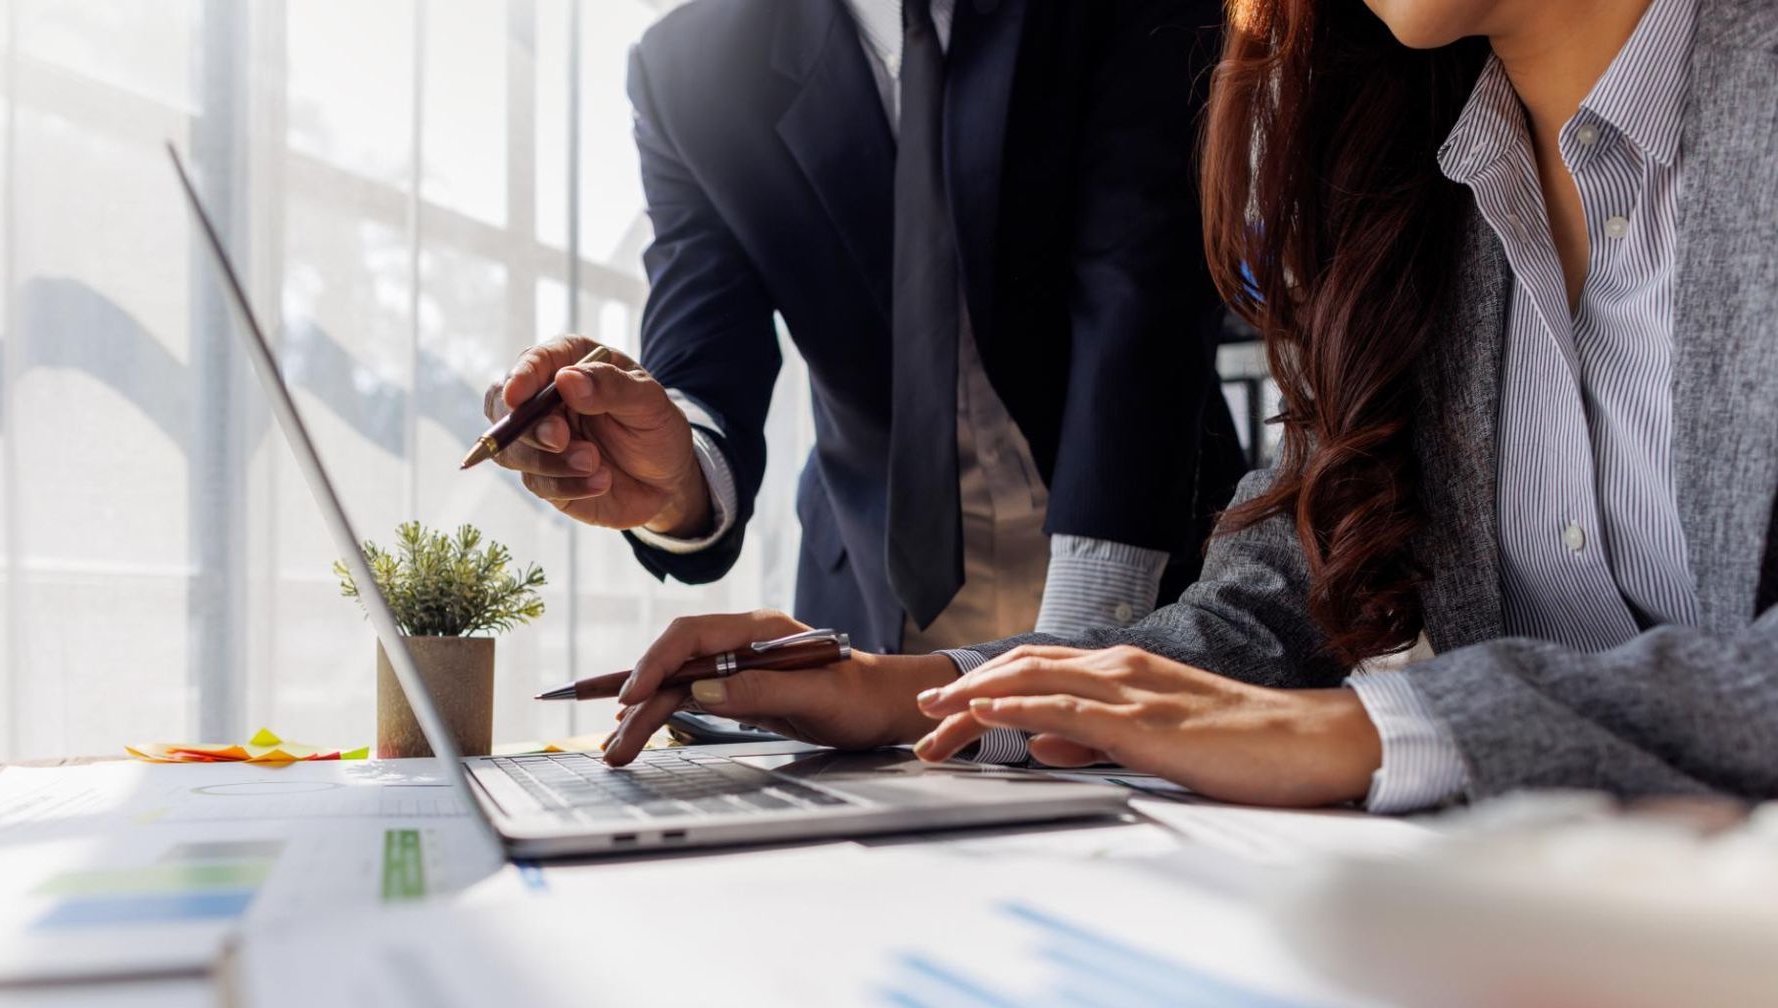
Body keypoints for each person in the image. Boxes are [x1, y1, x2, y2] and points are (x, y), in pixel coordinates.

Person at [598, 0, 1778, 813]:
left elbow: (1131, 303)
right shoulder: (1398, 194)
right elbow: (1274, 600)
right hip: (1568, 948)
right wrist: (907, 691)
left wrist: (1384, 727)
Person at [483, 0, 1245, 656]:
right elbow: (705, 358)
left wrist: (1081, 649)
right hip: (869, 627)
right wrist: (672, 478)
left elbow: (1142, 294)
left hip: (1150, 582)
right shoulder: (689, 69)